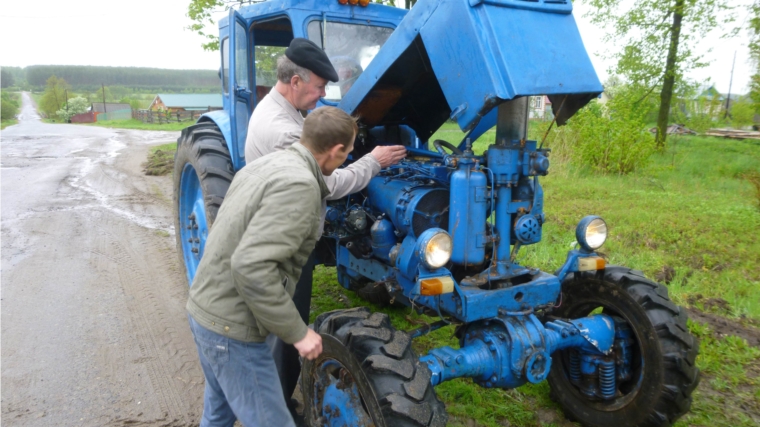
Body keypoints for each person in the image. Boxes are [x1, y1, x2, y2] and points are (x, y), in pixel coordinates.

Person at [244, 37, 407, 421]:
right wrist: (372, 162)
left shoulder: (282, 109)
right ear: (296, 81)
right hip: (285, 241)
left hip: (289, 225)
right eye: (318, 88)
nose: (321, 97)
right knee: (287, 330)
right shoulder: (281, 129)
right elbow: (328, 185)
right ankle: (278, 407)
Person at [187, 107, 358, 427]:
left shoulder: (265, 164)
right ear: (335, 151)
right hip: (232, 331)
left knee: (218, 414)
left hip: (204, 311)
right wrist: (298, 333)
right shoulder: (301, 185)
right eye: (347, 153)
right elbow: (251, 267)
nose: (346, 159)